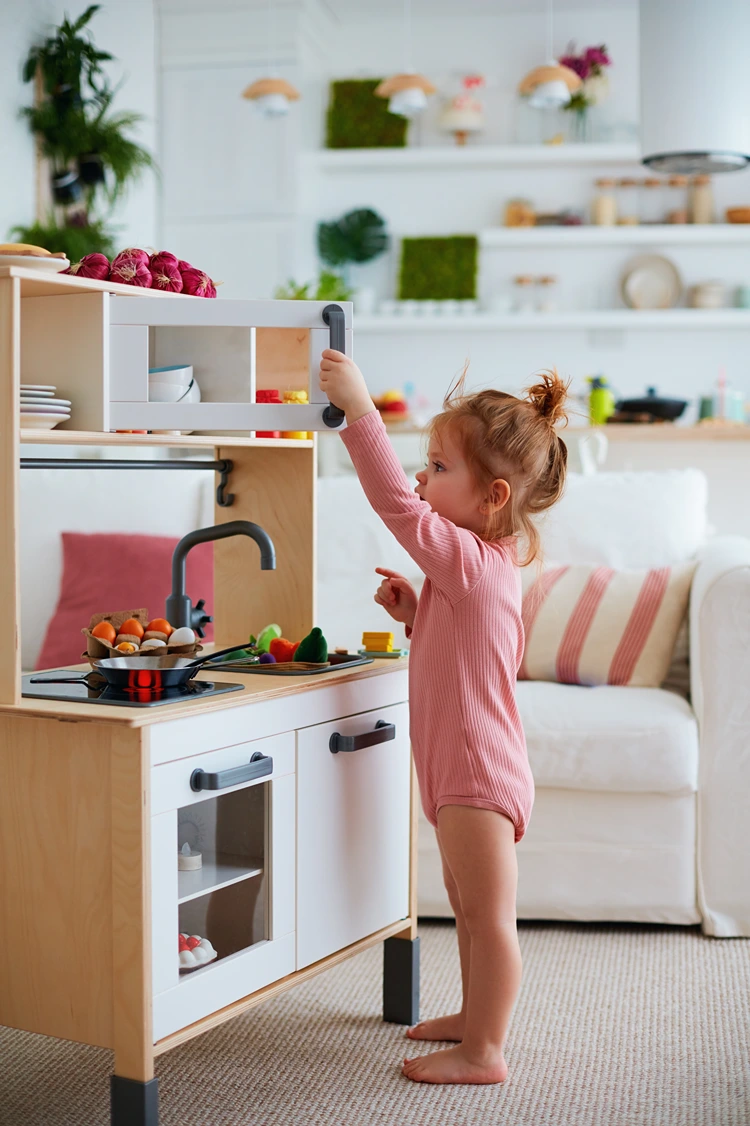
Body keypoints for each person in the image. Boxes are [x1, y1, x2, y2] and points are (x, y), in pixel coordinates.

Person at [319, 348, 569, 1085]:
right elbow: (465, 651)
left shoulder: (468, 559)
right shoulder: (480, 565)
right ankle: (471, 1017)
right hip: (459, 769)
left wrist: (361, 411)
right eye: (425, 464)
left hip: (476, 775)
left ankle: (484, 1051)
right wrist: (416, 613)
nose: (423, 480)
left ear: (492, 496)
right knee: (464, 906)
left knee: (488, 917)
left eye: (437, 468)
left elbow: (393, 501)